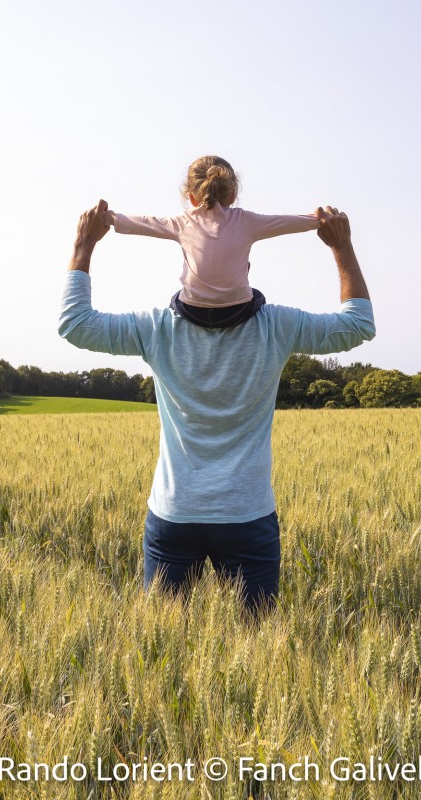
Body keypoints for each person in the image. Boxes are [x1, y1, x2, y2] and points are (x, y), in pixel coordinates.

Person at [58, 199, 374, 613]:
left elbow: (75, 325)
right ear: (245, 266)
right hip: (247, 514)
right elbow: (358, 325)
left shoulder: (154, 328)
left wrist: (84, 247)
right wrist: (341, 247)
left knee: (163, 649)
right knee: (257, 648)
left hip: (175, 512)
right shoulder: (278, 326)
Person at [106, 155, 320, 329]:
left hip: (193, 310)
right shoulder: (247, 221)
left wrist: (110, 219)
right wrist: (319, 219)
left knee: (176, 298)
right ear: (233, 193)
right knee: (258, 297)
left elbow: (144, 223)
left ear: (191, 196)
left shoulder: (183, 222)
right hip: (237, 311)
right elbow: (288, 222)